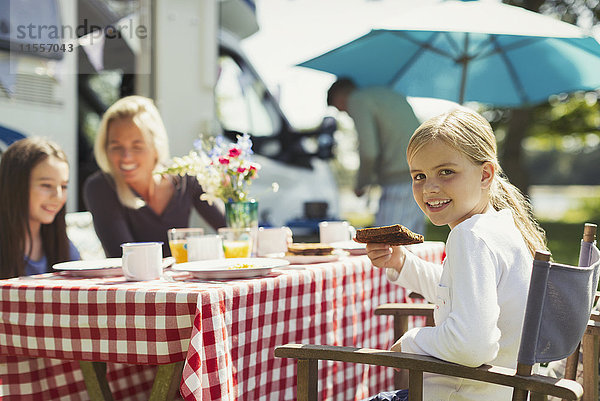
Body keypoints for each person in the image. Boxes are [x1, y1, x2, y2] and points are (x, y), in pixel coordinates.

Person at [363, 108, 547, 401]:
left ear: (485, 174)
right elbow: (462, 292)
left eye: (446, 171)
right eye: (419, 175)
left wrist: (412, 341)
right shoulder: (502, 226)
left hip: (460, 394)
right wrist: (403, 263)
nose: (429, 188)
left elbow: (472, 346)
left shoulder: (469, 236)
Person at [84, 95, 226, 258]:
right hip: (135, 283)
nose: (126, 157)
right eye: (116, 147)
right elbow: (125, 258)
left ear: (156, 147)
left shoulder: (186, 177)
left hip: (183, 281)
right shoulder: (101, 187)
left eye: (137, 147)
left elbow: (233, 233)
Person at [327, 78, 424, 233]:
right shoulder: (385, 95)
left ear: (339, 97)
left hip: (399, 181)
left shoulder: (357, 99)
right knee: (413, 245)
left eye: (340, 109)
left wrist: (361, 184)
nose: (345, 113)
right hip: (419, 176)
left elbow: (369, 152)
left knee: (389, 246)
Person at [0, 137, 81, 278]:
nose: (58, 196)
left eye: (63, 186)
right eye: (46, 185)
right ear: (15, 186)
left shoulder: (63, 244)